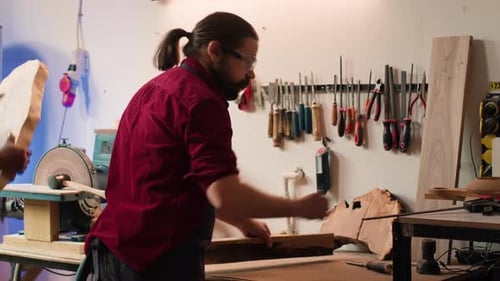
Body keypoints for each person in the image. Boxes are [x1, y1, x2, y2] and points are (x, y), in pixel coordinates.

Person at [84, 11, 328, 281]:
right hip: (155, 263)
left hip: (115, 253)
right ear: (215, 51)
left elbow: (190, 183)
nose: (251, 72)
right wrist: (299, 208)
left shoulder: (155, 88)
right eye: (247, 60)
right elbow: (224, 194)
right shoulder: (201, 103)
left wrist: (243, 222)